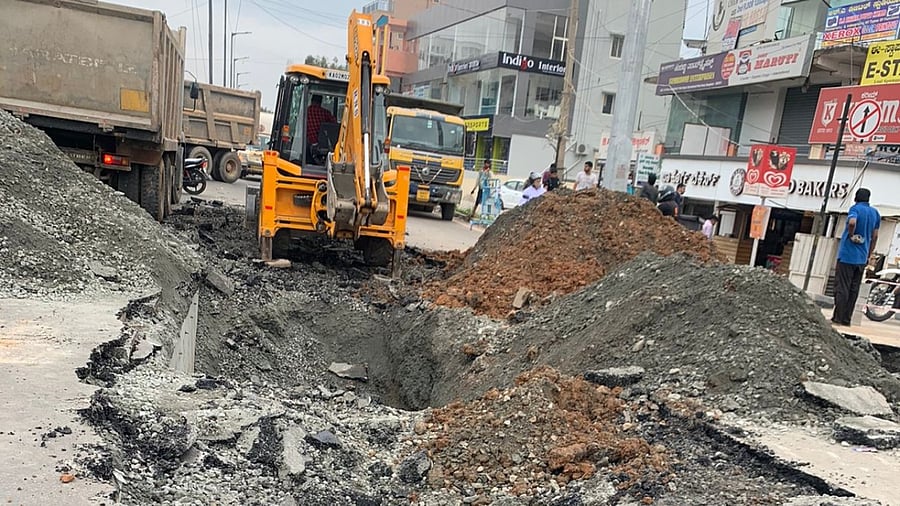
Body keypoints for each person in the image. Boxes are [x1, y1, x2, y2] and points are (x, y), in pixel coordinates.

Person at [832, 188, 881, 326]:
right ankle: (847, 319)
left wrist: (852, 235)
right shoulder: (875, 213)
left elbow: (852, 222)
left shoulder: (855, 209)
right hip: (862, 257)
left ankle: (838, 318)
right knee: (854, 289)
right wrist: (868, 254)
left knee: (842, 287)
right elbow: (875, 236)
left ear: (856, 198)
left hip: (847, 256)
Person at [306, 95, 336, 162]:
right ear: (320, 102)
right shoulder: (326, 113)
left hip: (309, 145)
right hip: (323, 146)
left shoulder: (305, 112)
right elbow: (335, 126)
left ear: (311, 101)